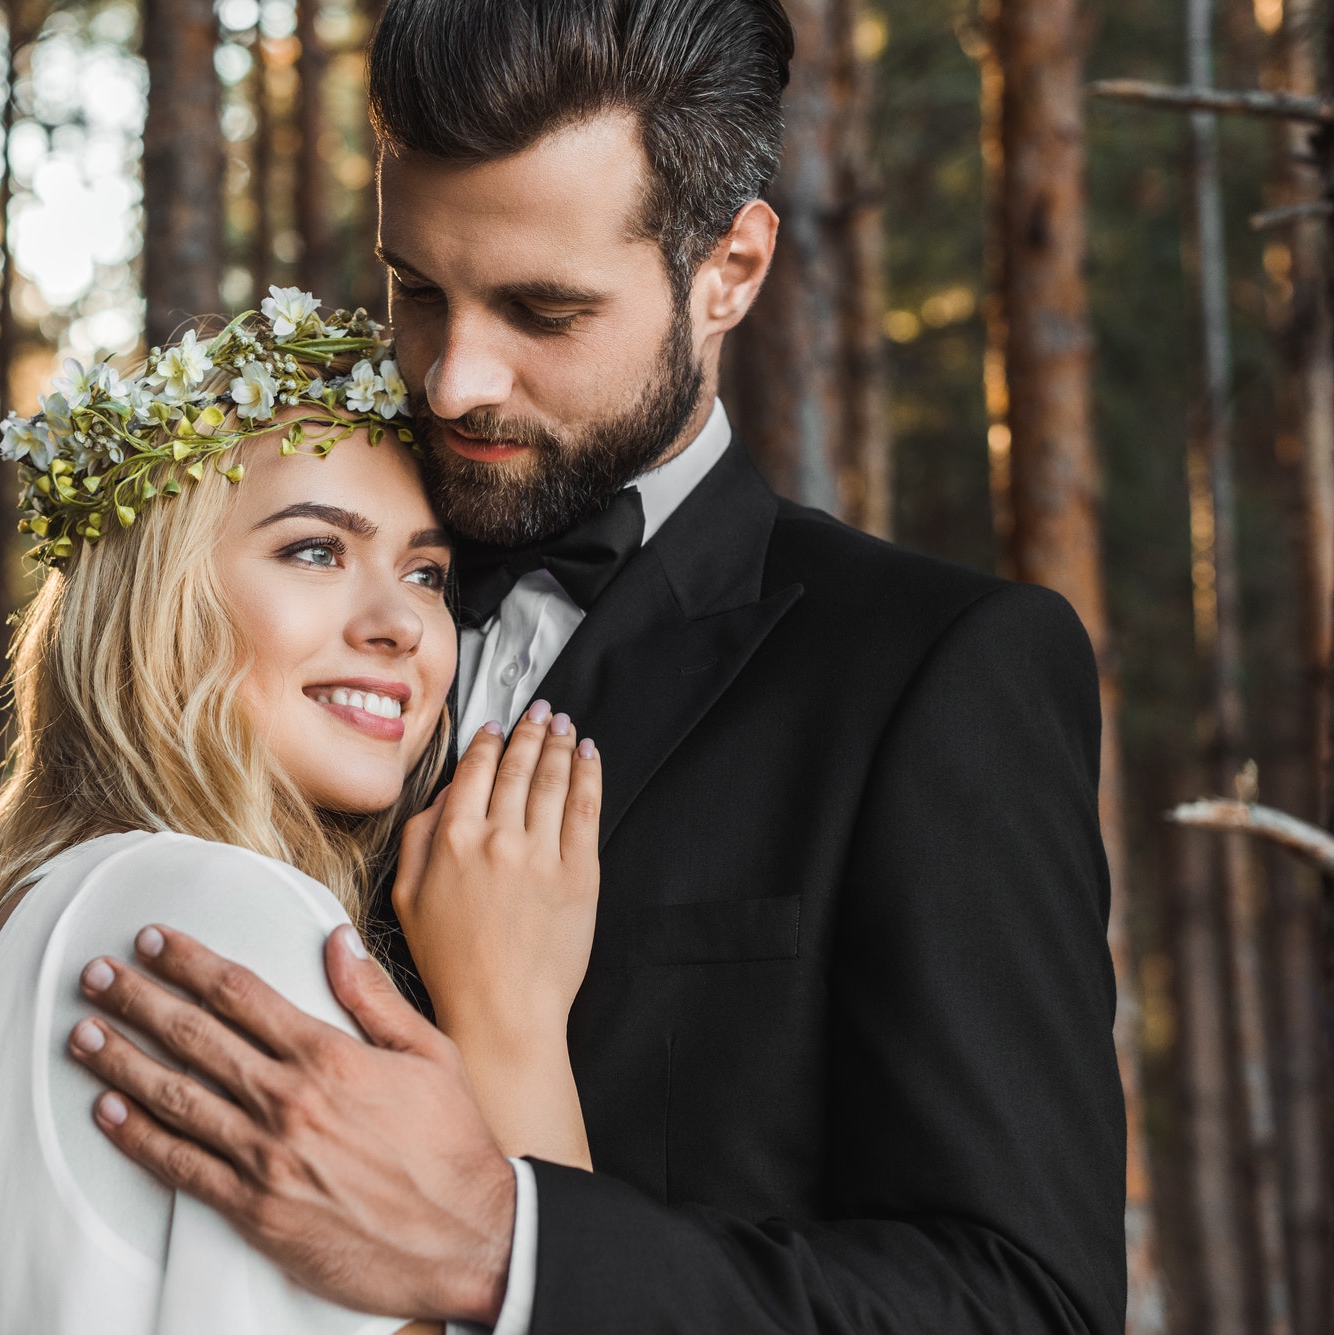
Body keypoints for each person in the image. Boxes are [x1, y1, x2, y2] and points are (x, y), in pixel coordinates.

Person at [68, 1, 1128, 1333]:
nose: (454, 379)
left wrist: (507, 1248)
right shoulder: (262, 595)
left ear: (730, 268)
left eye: (543, 309)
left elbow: (1024, 1304)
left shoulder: (933, 673)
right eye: (416, 291)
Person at [0, 302, 606, 1334]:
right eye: (314, 551)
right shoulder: (223, 916)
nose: (400, 624)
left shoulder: (50, 907)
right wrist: (513, 1025)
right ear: (161, 597)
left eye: (426, 573)